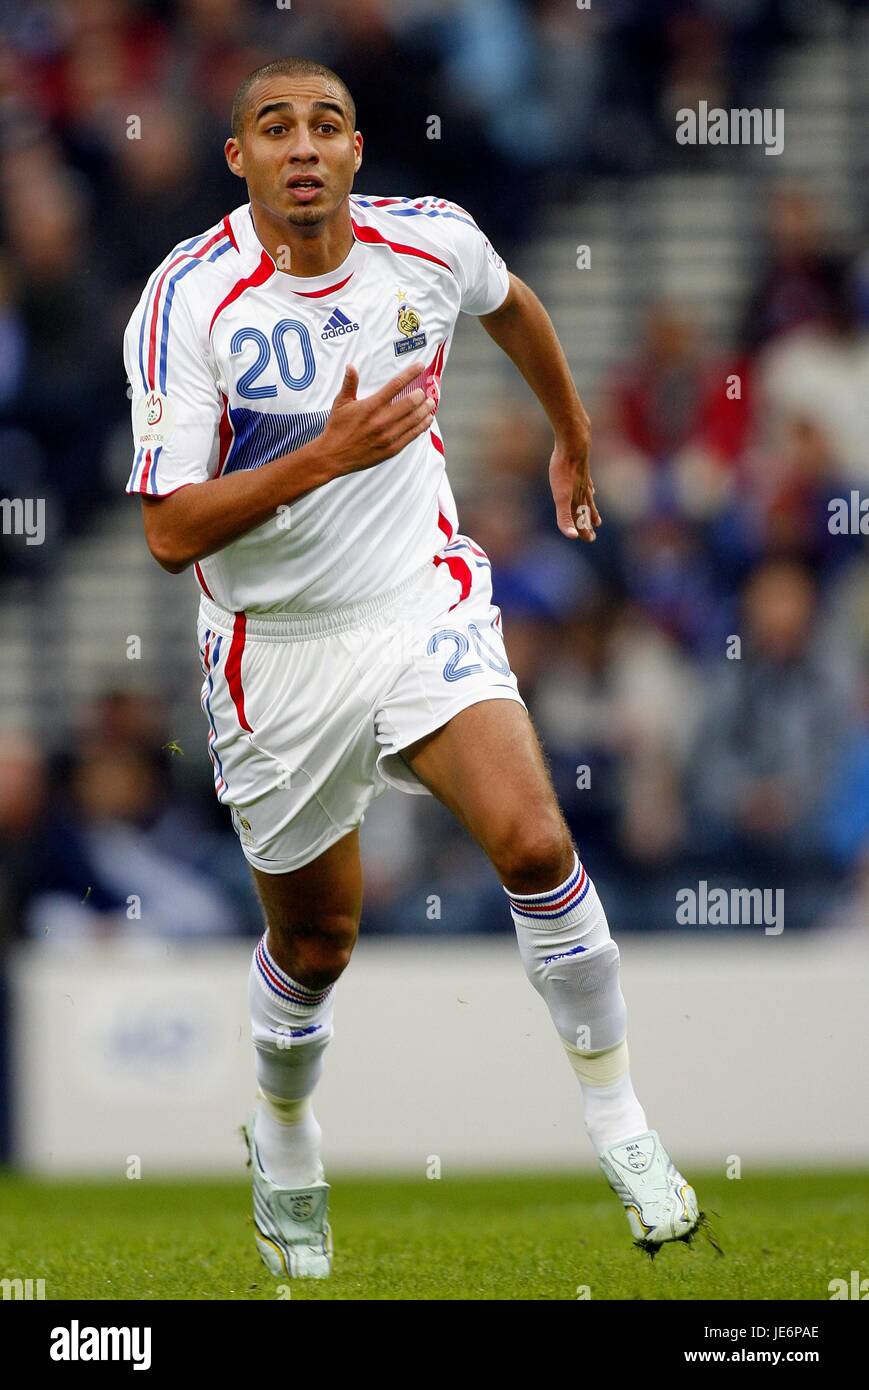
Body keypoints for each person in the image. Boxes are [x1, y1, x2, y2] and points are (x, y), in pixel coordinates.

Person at [124, 56, 700, 1279]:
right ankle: (283, 1133)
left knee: (537, 846)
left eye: (326, 126)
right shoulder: (188, 297)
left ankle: (622, 1124)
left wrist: (572, 439)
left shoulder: (428, 244)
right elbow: (170, 532)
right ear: (238, 159)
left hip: (416, 598)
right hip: (268, 651)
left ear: (354, 152)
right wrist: (322, 456)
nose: (303, 146)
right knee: (320, 943)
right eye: (274, 127)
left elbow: (515, 308)